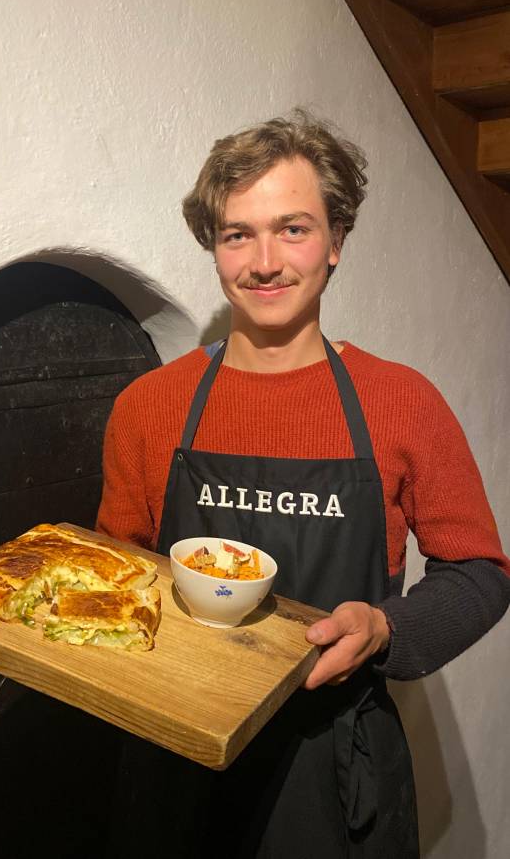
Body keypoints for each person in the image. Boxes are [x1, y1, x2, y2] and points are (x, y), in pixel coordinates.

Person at [96, 110, 510, 859]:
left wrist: (388, 629)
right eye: (237, 234)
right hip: (176, 763)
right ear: (214, 250)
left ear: (336, 243)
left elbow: (481, 574)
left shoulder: (401, 401)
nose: (264, 261)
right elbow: (117, 569)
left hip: (335, 766)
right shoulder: (149, 407)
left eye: (293, 228)